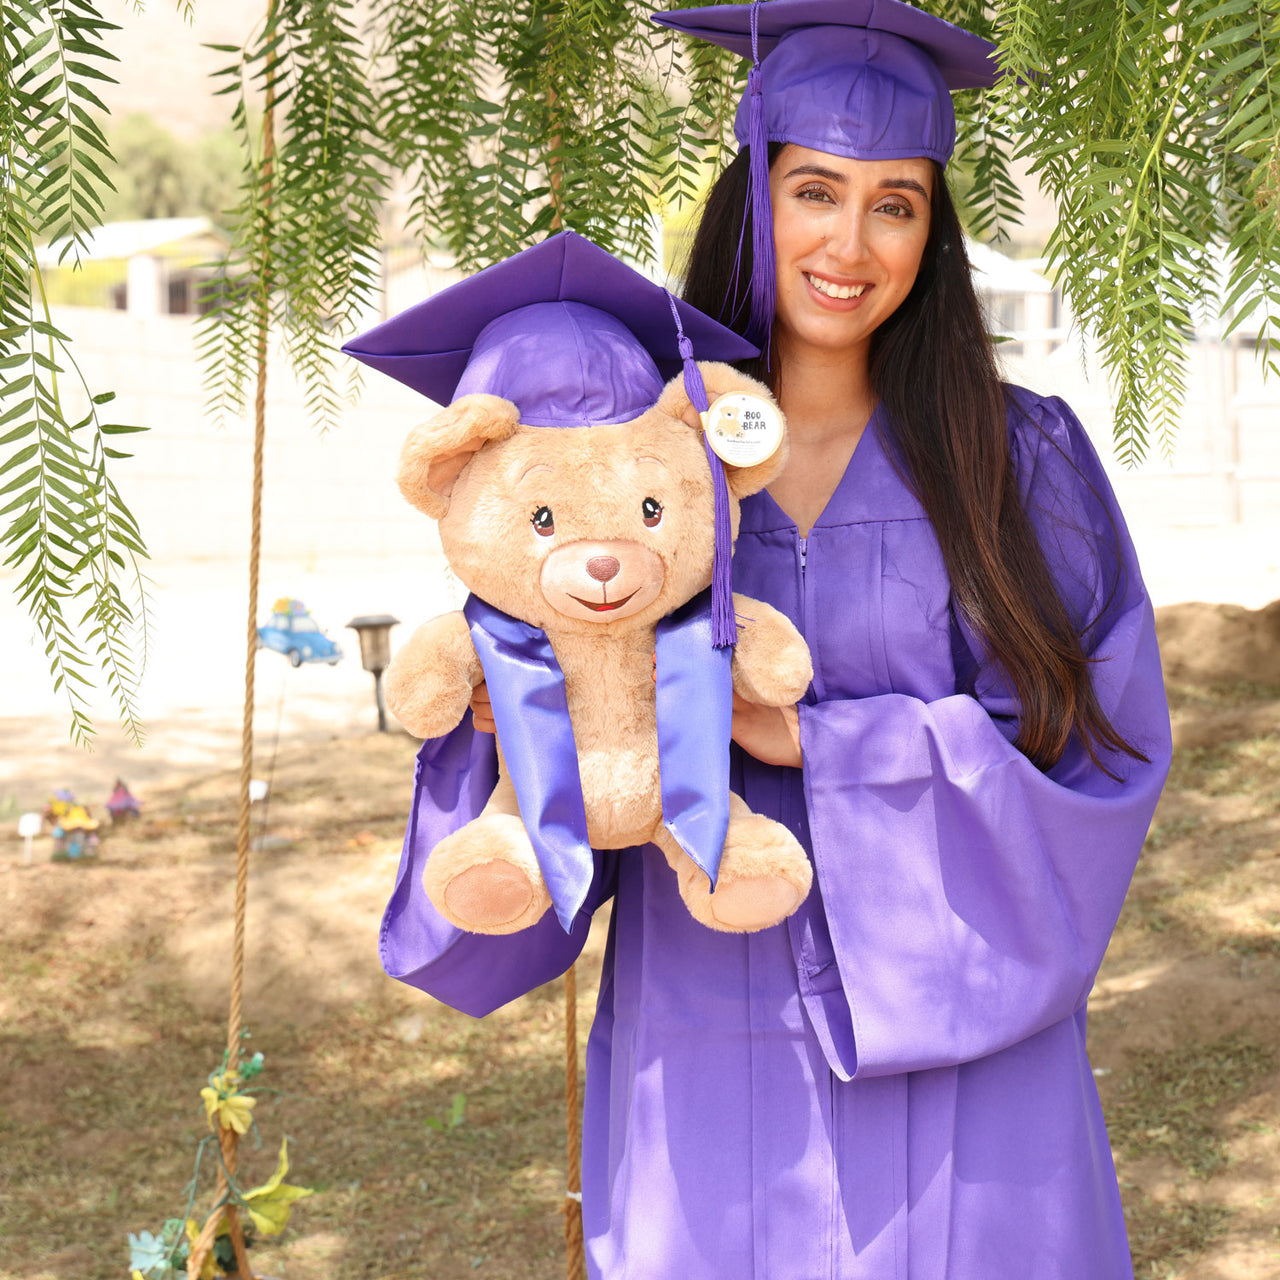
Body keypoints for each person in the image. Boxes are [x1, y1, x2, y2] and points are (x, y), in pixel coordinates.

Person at [368, 2, 1174, 1276]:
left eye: (894, 203)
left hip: (969, 1077)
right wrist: (515, 731)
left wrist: (827, 746)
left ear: (932, 226)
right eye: (813, 190)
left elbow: (1097, 770)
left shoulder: (1017, 462)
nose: (849, 242)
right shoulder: (625, 472)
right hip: (704, 1048)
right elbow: (520, 842)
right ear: (752, 198)